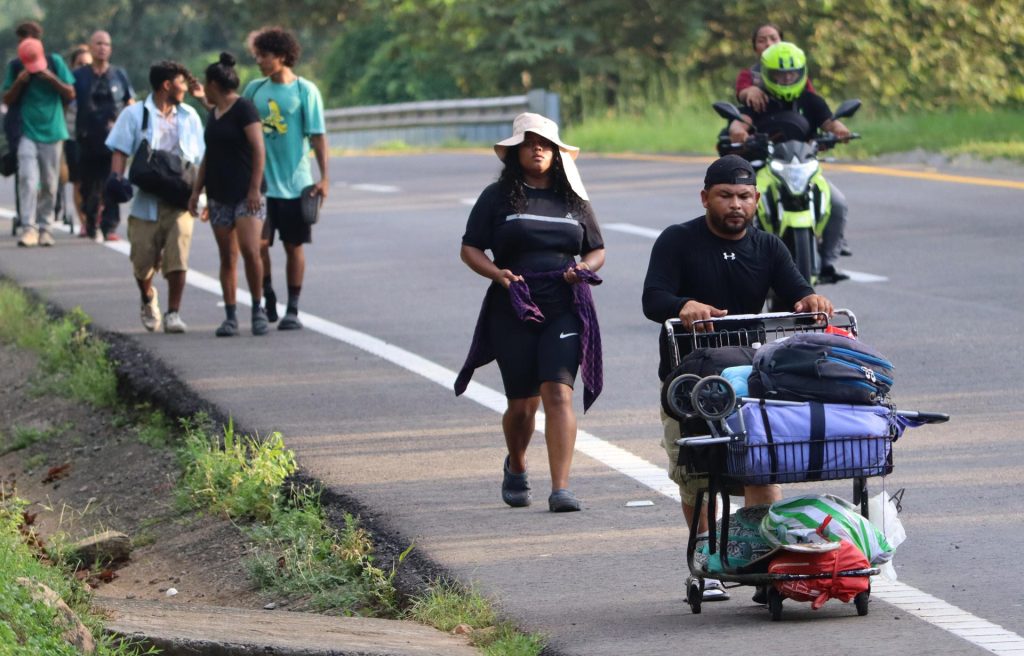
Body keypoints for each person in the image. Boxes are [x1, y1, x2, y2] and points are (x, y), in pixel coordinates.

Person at [642, 154, 833, 599]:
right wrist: (682, 304)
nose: (735, 205)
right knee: (698, 474)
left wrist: (811, 300)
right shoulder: (677, 241)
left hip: (749, 378)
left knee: (762, 467)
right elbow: (653, 299)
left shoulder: (768, 247)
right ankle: (708, 562)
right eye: (725, 196)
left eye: (744, 196)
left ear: (756, 200)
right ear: (705, 197)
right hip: (690, 384)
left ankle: (765, 564)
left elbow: (797, 291)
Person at [455, 112, 606, 513]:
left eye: (545, 143)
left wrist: (583, 268)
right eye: (528, 142)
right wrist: (498, 275)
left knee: (557, 392)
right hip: (515, 303)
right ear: (515, 152)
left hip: (565, 302)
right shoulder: (497, 197)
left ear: (557, 153)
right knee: (522, 404)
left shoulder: (574, 198)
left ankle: (561, 488)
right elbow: (470, 248)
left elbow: (596, 249)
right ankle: (517, 464)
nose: (537, 148)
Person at [728, 41, 851, 283]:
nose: (786, 79)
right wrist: (739, 132)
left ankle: (828, 261)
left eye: (791, 74)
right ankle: (742, 259)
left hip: (805, 167)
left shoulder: (812, 101)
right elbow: (739, 122)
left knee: (837, 203)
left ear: (801, 73)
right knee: (748, 206)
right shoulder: (758, 101)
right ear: (766, 74)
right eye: (779, 75)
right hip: (767, 167)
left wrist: (840, 130)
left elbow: (830, 123)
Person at [105, 60, 204, 334]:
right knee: (142, 263)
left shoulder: (190, 117)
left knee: (178, 257)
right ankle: (148, 297)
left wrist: (203, 195)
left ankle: (173, 313)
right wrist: (117, 179)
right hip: (145, 202)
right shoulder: (135, 115)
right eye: (182, 82)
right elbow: (119, 151)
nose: (185, 88)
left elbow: (201, 160)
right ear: (166, 85)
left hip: (180, 200)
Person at [242, 27, 327, 331]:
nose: (259, 61)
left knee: (294, 247)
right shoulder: (253, 89)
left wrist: (325, 178)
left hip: (296, 184)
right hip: (261, 187)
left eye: (263, 56)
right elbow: (237, 124)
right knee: (258, 245)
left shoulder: (306, 91)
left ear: (280, 56)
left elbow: (318, 137)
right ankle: (267, 293)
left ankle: (292, 308)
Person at [188, 52, 269, 337]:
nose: (205, 88)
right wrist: (197, 191)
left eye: (207, 83)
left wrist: (254, 189)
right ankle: (231, 316)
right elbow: (209, 155)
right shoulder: (214, 113)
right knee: (227, 257)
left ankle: (258, 309)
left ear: (214, 83)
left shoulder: (244, 109)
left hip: (248, 195)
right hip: (219, 194)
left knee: (250, 250)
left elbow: (259, 148)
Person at [2, 21, 75, 248]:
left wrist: (51, 79)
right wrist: (19, 82)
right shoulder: (15, 66)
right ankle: (29, 228)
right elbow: (6, 99)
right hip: (26, 131)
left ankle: (46, 228)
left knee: (50, 183)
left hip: (53, 130)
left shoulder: (55, 62)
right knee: (27, 178)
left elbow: (71, 93)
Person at [73, 30, 135, 241]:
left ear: (110, 48)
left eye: (106, 44)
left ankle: (109, 226)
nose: (102, 47)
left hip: (114, 142)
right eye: (98, 43)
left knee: (113, 182)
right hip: (88, 139)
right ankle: (91, 222)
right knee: (89, 186)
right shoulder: (79, 76)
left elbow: (130, 101)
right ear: (91, 47)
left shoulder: (119, 74)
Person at [735, 23, 814, 113]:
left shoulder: (797, 73)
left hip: (797, 123)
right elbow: (741, 93)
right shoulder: (749, 74)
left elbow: (812, 99)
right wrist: (750, 91)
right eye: (761, 41)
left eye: (774, 39)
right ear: (755, 48)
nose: (768, 44)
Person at [64, 44, 91, 234]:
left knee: (99, 181)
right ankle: (84, 221)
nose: (83, 68)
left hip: (97, 139)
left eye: (87, 64)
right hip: (73, 138)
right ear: (72, 66)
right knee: (79, 182)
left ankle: (97, 217)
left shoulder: (100, 82)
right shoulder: (67, 87)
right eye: (79, 64)